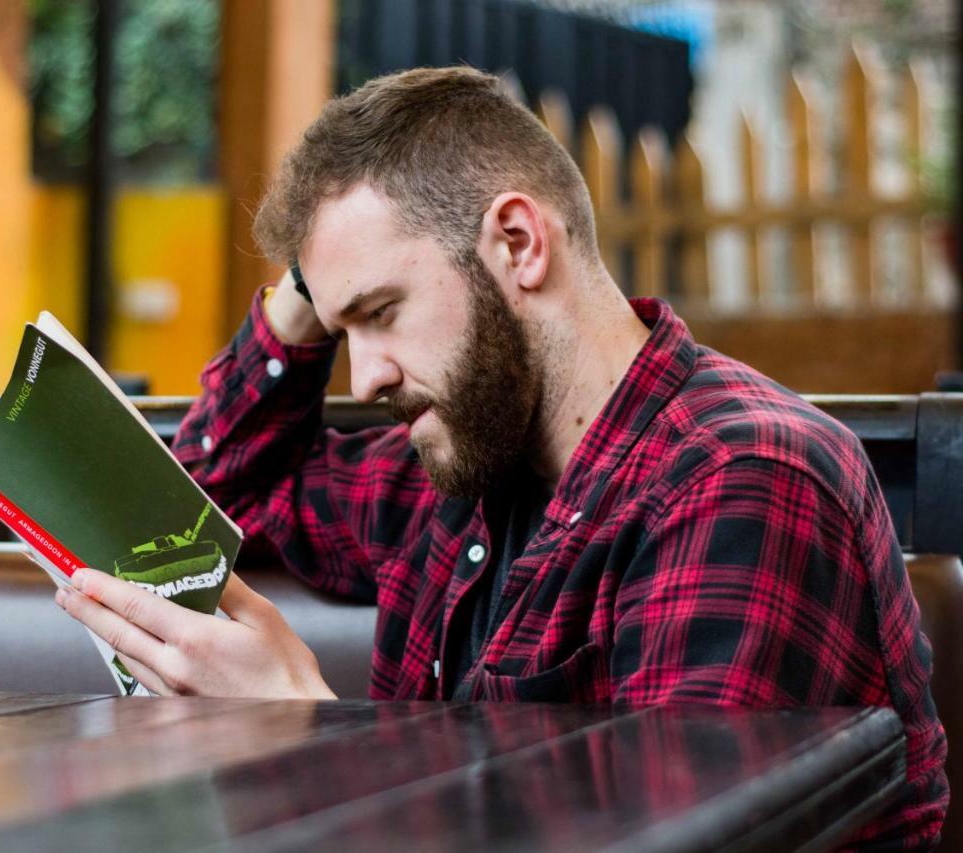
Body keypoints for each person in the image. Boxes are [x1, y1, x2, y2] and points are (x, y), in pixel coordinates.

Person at [54, 66, 946, 845]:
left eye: (379, 311)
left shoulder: (741, 478)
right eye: (340, 329)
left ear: (517, 243)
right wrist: (303, 293)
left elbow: (667, 838)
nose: (363, 377)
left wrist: (306, 735)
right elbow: (216, 495)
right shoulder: (464, 459)